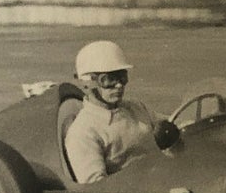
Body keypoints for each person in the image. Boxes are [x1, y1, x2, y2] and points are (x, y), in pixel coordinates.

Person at [64, 40, 176, 183]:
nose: (119, 85)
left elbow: (172, 122)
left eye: (122, 77)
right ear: (87, 83)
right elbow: (96, 189)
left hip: (166, 178)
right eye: (109, 79)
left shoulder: (136, 107)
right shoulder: (83, 132)